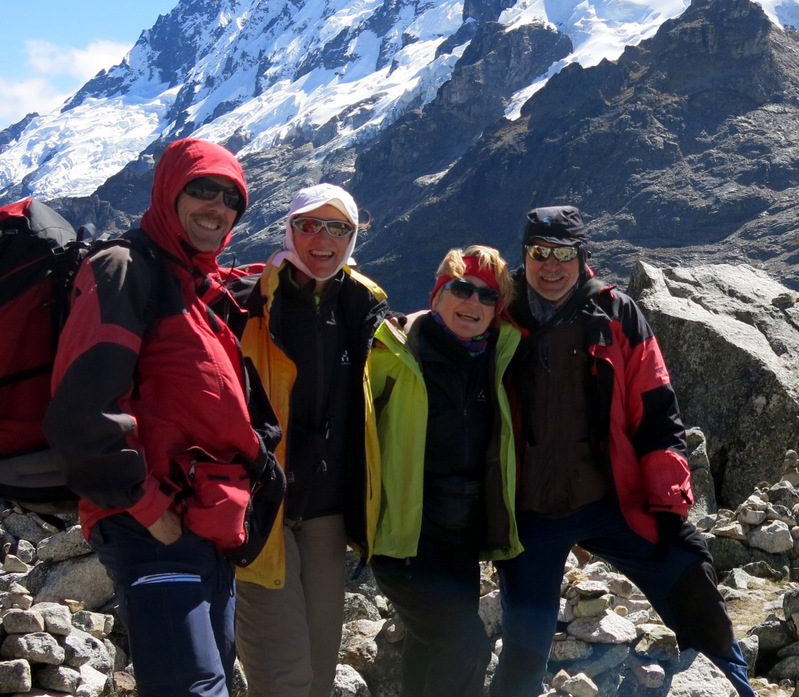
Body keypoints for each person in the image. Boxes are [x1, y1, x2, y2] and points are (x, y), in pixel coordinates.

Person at [44, 138, 282, 697]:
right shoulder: (124, 269)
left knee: (210, 682)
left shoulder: (197, 286)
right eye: (201, 190)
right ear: (168, 192)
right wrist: (149, 508)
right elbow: (80, 413)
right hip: (152, 524)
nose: (217, 207)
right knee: (192, 689)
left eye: (231, 199)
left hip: (202, 525)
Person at [490, 205, 755, 697]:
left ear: (582, 256)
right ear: (523, 257)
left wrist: (668, 501)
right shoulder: (498, 314)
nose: (550, 266)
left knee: (689, 575)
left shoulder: (615, 313)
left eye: (562, 254)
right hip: (529, 514)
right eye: (539, 253)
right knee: (526, 646)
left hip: (613, 502)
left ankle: (736, 686)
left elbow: (656, 409)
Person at [231, 184, 389, 697]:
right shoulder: (248, 304)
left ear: (353, 235)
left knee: (319, 674)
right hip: (261, 512)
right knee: (285, 677)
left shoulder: (362, 305)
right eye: (309, 225)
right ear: (289, 229)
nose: (322, 239)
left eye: (338, 227)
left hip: (325, 512)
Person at [366, 245, 523, 697]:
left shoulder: (496, 358)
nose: (473, 302)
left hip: (460, 538)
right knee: (467, 644)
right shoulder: (394, 352)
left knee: (429, 643)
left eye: (488, 296)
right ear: (438, 294)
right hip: (402, 540)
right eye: (461, 288)